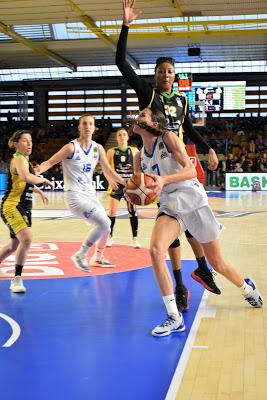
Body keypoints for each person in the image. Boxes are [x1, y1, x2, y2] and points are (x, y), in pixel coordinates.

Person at [116, 0, 220, 312]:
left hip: (181, 158)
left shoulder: (183, 101)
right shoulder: (148, 94)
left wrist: (208, 147)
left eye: (170, 71)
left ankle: (198, 269)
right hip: (156, 161)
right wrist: (126, 25)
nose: (165, 74)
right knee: (172, 222)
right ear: (155, 74)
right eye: (161, 71)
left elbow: (190, 128)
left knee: (191, 222)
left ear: (175, 76)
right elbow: (121, 62)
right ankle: (180, 283)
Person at [132, 108, 263, 336]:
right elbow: (139, 189)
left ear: (154, 122)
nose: (136, 117)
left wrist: (164, 179)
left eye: (142, 115)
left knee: (218, 263)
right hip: (170, 207)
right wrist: (134, 195)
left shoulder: (169, 138)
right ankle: (174, 316)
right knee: (155, 250)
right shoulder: (138, 156)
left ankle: (246, 287)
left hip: (193, 201)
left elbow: (192, 170)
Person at [35, 114, 125, 271]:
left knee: (107, 225)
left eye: (91, 123)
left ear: (95, 127)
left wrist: (127, 183)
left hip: (90, 194)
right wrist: (38, 170)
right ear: (79, 127)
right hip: (74, 195)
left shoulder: (98, 148)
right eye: (84, 123)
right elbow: (50, 162)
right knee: (104, 223)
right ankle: (80, 254)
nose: (87, 126)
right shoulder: (71, 147)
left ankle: (97, 258)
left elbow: (108, 171)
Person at [0, 130, 53, 292]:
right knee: (27, 239)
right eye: (24, 141)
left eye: (30, 141)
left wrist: (39, 191)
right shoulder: (19, 159)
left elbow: (25, 183)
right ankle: (16, 279)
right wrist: (43, 180)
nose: (29, 144)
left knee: (14, 245)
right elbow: (26, 177)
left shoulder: (24, 160)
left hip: (22, 207)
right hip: (12, 206)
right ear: (16, 144)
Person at [106, 128, 141, 248]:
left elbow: (139, 168)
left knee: (133, 212)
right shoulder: (111, 151)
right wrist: (110, 180)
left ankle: (135, 239)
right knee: (111, 212)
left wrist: (138, 182)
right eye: (119, 135)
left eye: (124, 134)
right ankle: (110, 237)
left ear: (128, 137)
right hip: (116, 185)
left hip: (130, 185)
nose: (122, 137)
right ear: (116, 138)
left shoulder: (134, 150)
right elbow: (106, 169)